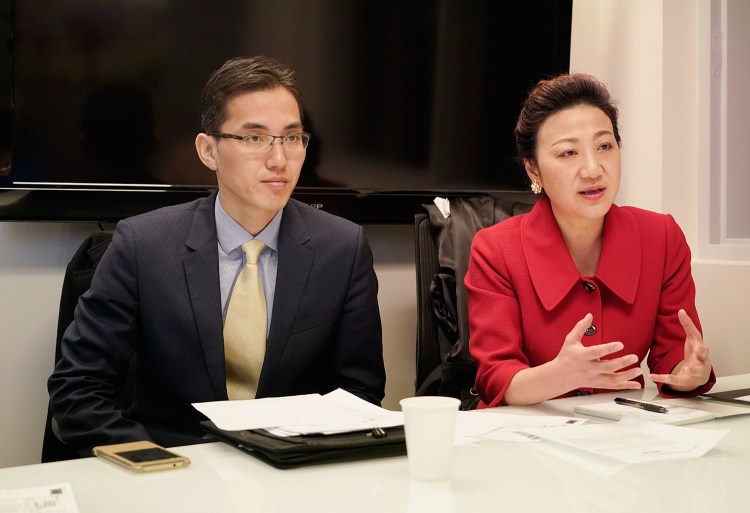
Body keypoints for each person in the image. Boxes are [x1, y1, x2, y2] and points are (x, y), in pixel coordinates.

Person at [48, 55, 385, 454]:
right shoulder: (143, 244)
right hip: (172, 468)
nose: (279, 160)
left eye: (292, 138)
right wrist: (160, 466)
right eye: (254, 138)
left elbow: (359, 394)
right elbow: (78, 393)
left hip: (292, 472)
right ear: (208, 151)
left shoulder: (342, 248)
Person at [465, 73, 715, 407]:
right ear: (533, 170)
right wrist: (560, 375)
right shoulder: (495, 249)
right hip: (524, 437)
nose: (593, 168)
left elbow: (674, 358)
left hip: (622, 435)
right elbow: (495, 377)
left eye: (605, 146)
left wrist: (691, 373)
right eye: (568, 153)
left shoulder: (662, 237)